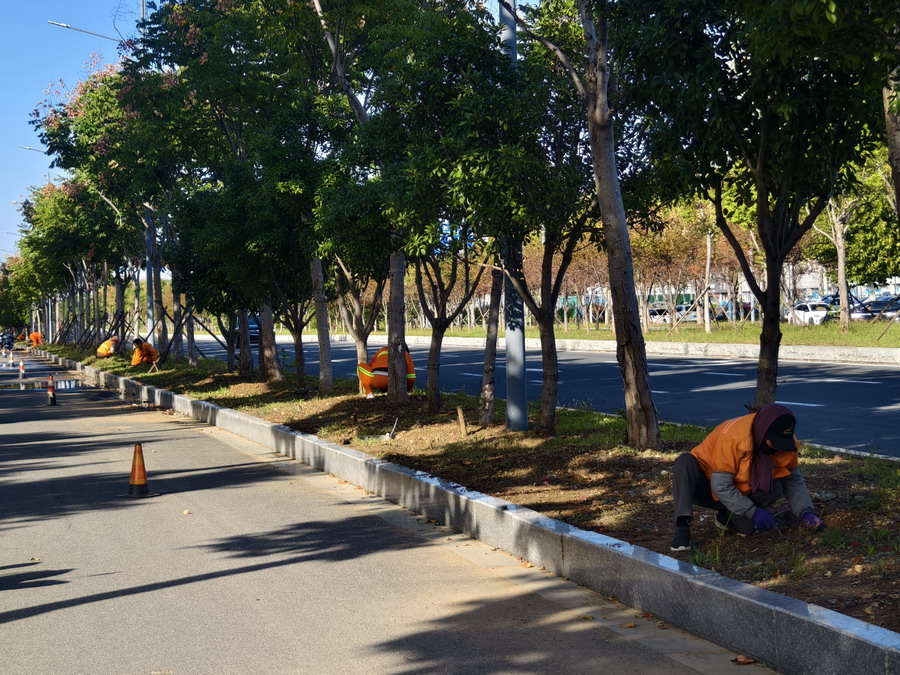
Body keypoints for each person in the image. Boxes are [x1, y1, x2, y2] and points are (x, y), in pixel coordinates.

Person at [670, 403, 825, 552]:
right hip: (706, 485)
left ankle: (725, 517)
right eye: (774, 443)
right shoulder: (734, 437)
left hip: (737, 492)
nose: (778, 448)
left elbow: (793, 481)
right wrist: (753, 512)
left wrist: (806, 512)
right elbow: (720, 485)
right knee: (685, 461)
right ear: (763, 434)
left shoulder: (787, 443)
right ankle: (682, 527)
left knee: (754, 519)